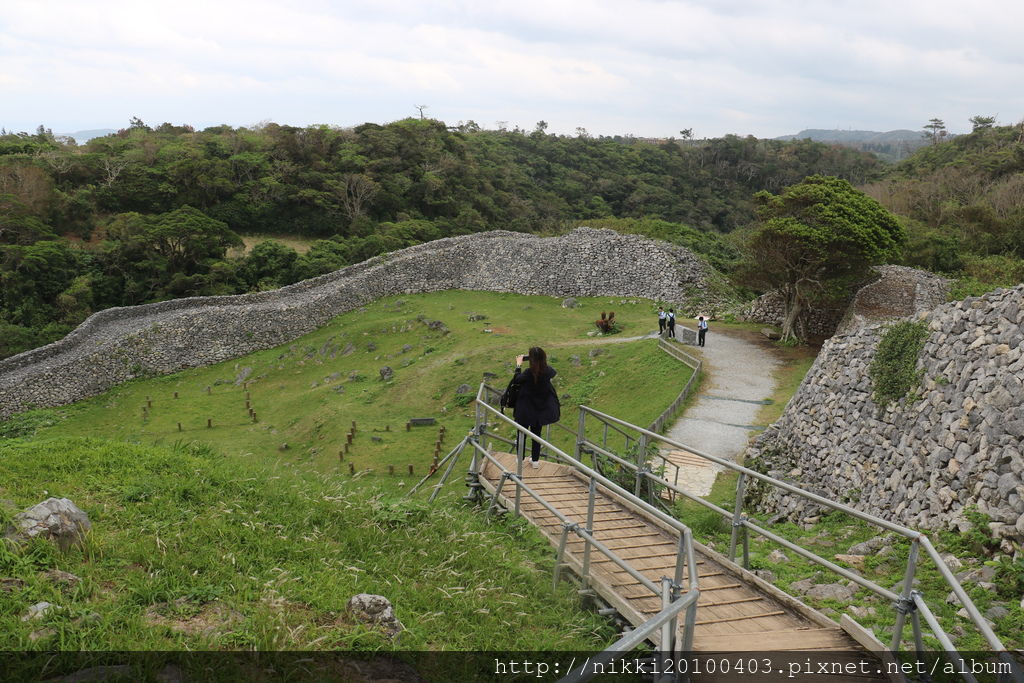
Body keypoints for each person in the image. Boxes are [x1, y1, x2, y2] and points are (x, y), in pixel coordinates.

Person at [510, 347, 560, 469]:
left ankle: (520, 459)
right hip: (540, 410)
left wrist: (518, 365)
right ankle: (535, 461)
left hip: (525, 410)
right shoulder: (548, 371)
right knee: (536, 435)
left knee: (521, 433)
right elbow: (551, 372)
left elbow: (516, 380)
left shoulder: (527, 373)